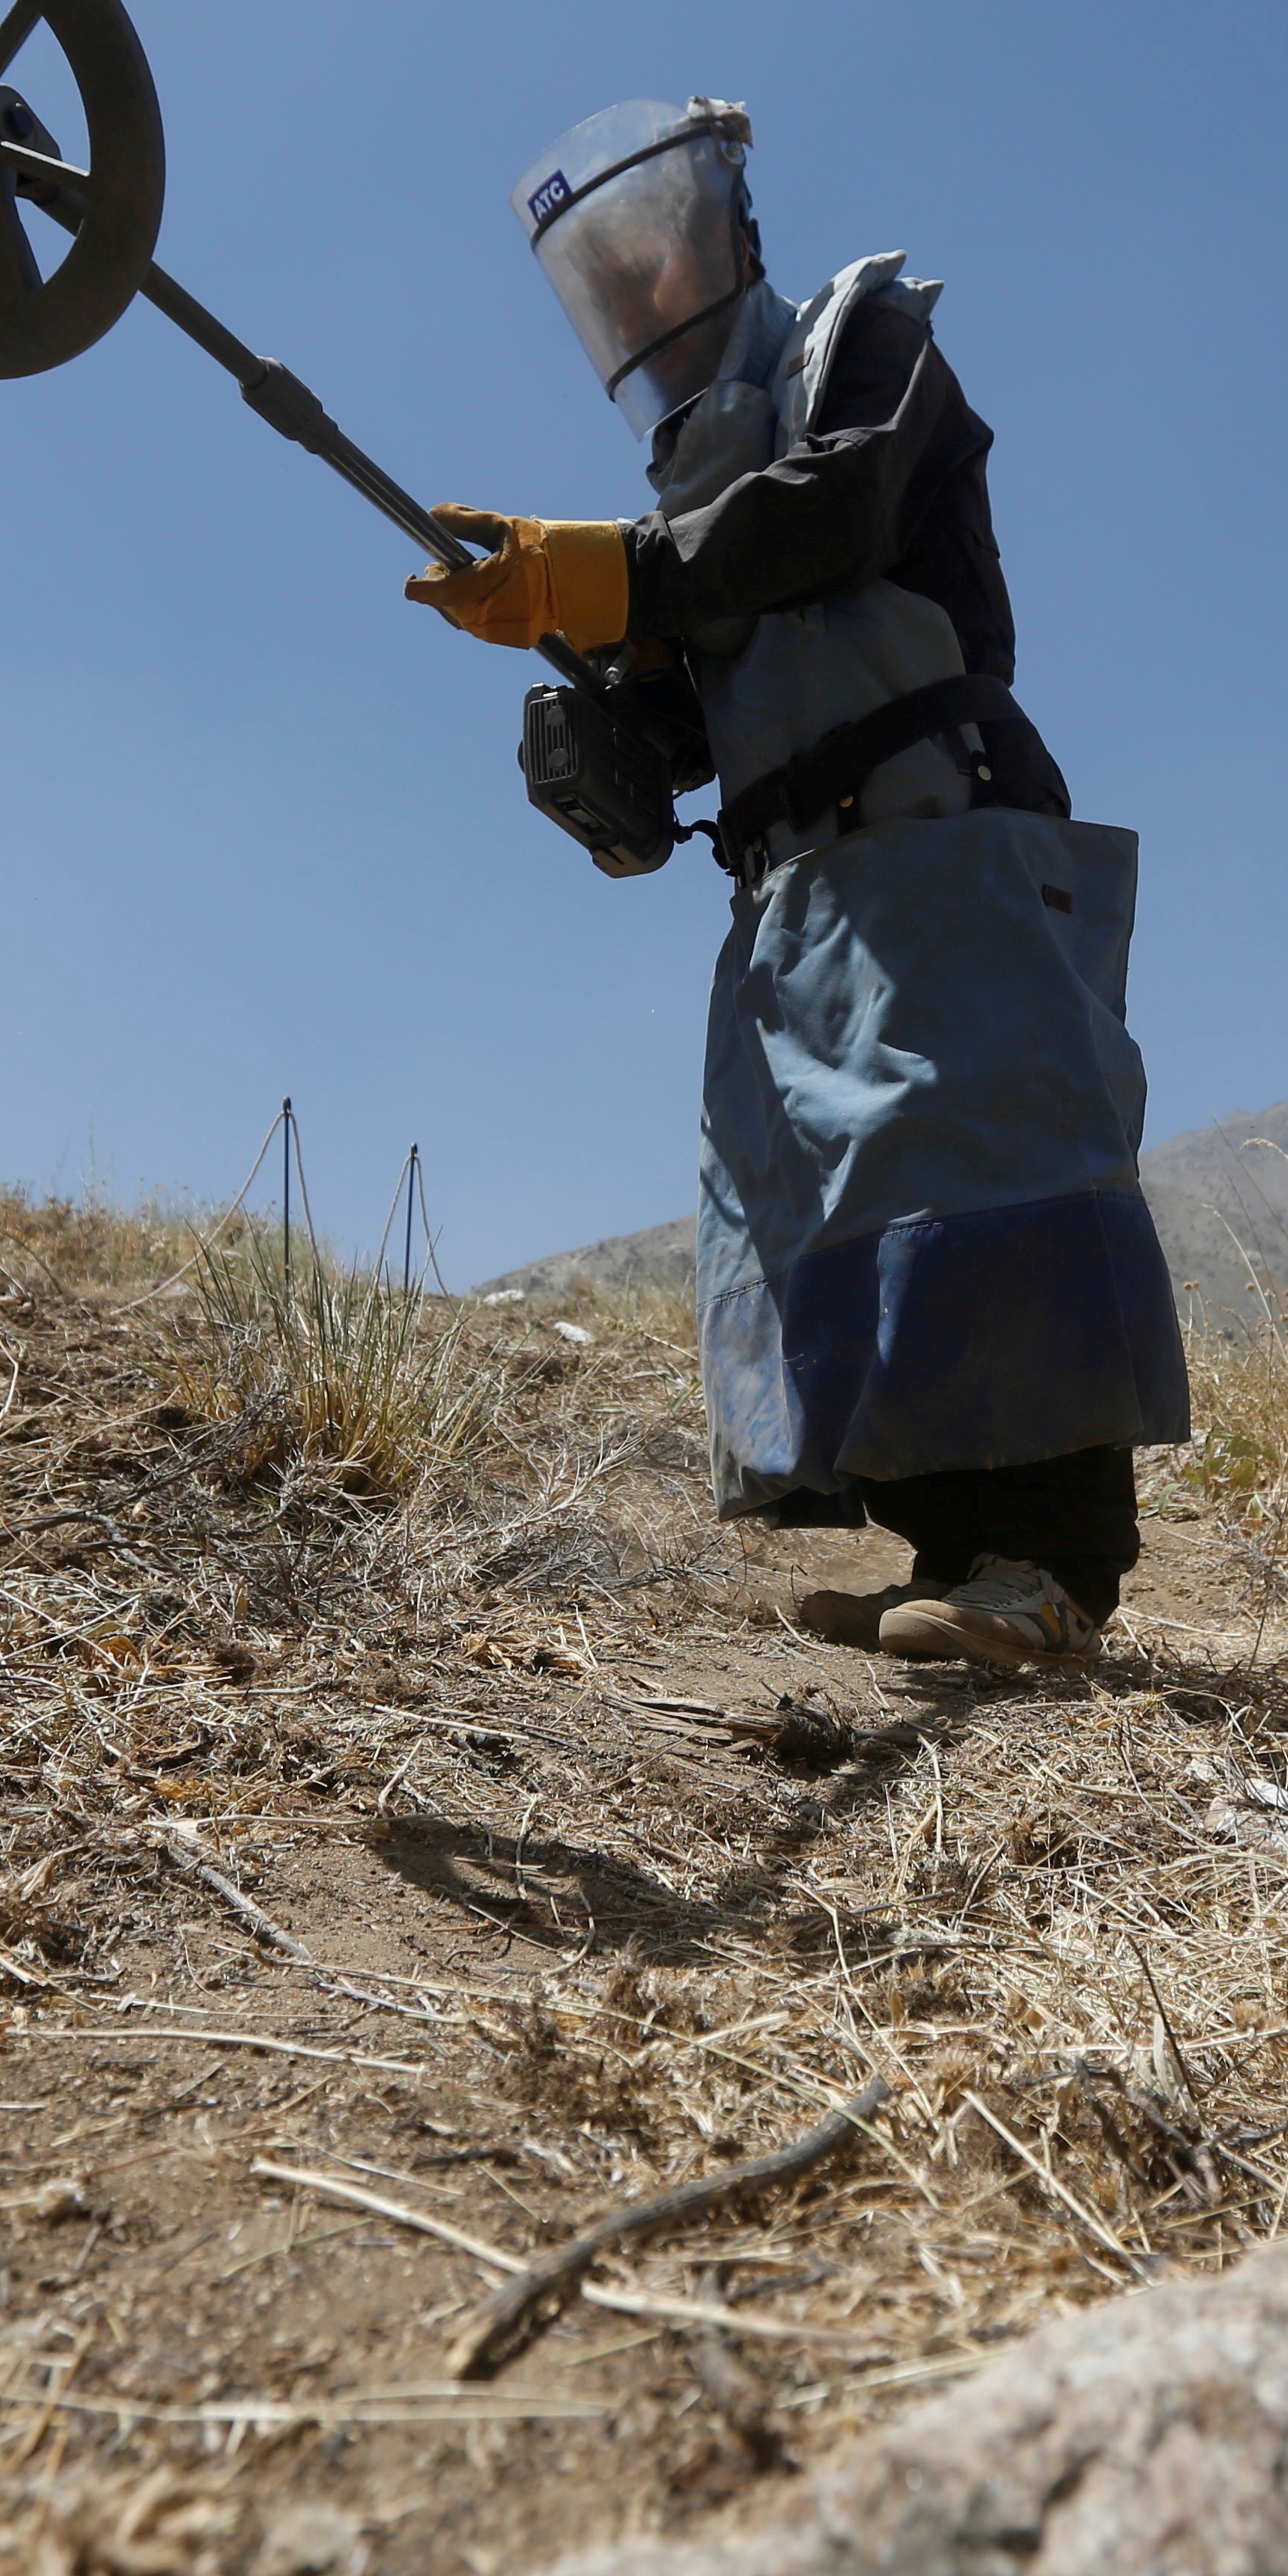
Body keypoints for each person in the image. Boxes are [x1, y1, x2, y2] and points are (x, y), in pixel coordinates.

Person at [406, 99, 1186, 1668]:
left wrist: (622, 573)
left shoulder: (866, 341)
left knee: (987, 1153)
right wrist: (604, 718)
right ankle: (956, 1553)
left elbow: (830, 514)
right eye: (602, 284)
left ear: (729, 233)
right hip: (799, 891)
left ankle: (1054, 1574)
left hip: (941, 835)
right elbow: (697, 723)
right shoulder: (690, 488)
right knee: (845, 1191)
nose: (637, 297)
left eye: (654, 255)